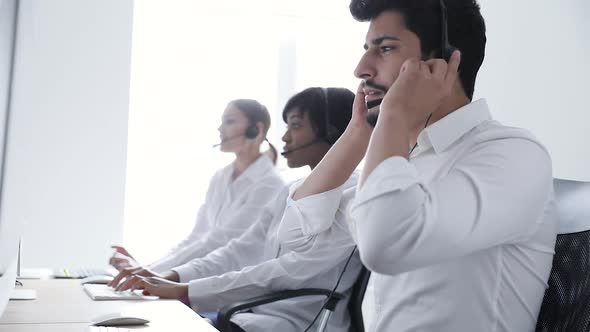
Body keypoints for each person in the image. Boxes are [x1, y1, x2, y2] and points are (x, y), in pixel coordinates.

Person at [289, 0, 557, 331]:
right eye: (366, 50)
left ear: (441, 62)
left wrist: (393, 116)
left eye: (384, 49)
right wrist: (358, 135)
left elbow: (383, 244)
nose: (361, 69)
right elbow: (299, 236)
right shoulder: (406, 160)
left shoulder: (512, 154)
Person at [111, 87, 362, 332]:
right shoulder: (289, 191)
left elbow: (287, 269)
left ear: (333, 132)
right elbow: (238, 249)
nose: (285, 137)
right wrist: (166, 277)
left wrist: (185, 289)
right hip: (251, 313)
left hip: (294, 322)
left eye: (295, 126)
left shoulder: (352, 194)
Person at [109, 99, 285, 274]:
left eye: (229, 121)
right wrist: (147, 268)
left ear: (257, 129)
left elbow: (219, 241)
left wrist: (151, 272)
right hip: (200, 275)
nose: (220, 129)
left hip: (230, 283)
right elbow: (196, 238)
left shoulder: (270, 184)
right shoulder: (220, 177)